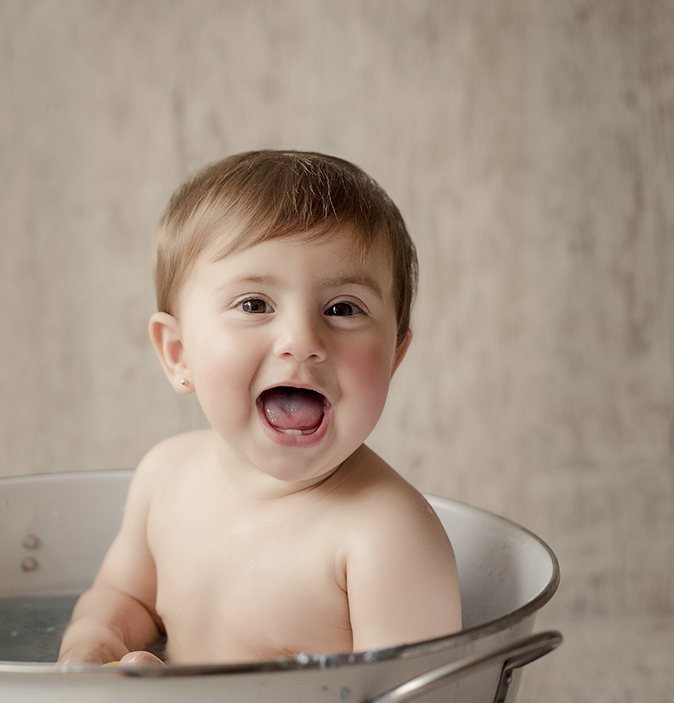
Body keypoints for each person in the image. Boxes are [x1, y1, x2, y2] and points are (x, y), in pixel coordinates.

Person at [57, 150, 461, 666]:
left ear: (393, 358)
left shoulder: (386, 536)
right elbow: (125, 598)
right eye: (254, 305)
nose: (302, 340)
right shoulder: (165, 478)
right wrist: (95, 647)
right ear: (179, 354)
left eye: (342, 308)